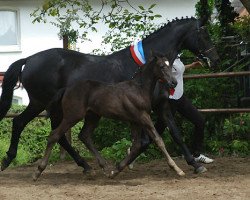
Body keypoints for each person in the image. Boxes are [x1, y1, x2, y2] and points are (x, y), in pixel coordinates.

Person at [168, 57, 213, 164]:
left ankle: (197, 154)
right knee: (159, 129)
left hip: (180, 97)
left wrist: (191, 66)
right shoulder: (166, 58)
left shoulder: (176, 56)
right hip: (169, 100)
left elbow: (178, 69)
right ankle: (134, 151)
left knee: (199, 121)